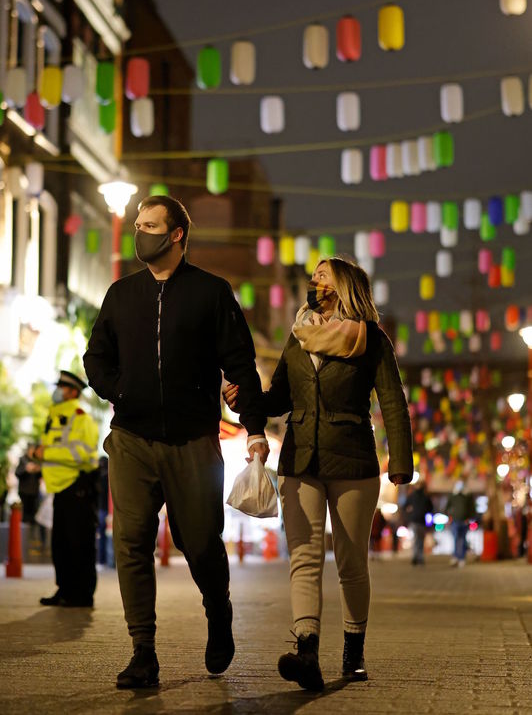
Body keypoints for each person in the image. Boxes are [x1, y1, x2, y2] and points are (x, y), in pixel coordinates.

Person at [83, 194, 268, 690]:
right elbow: (95, 358)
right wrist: (120, 390)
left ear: (176, 234)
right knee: (132, 541)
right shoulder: (122, 295)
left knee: (200, 541)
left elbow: (241, 365)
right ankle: (143, 651)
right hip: (132, 438)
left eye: (149, 225)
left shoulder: (211, 293)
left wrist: (254, 429)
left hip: (193, 440)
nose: (140, 232)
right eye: (138, 223)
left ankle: (218, 609)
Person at [225, 257, 413, 691]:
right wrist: (243, 401)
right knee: (305, 557)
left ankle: (353, 652)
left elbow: (392, 402)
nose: (314, 282)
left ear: (345, 284)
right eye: (313, 276)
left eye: (323, 275)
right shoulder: (298, 335)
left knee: (350, 562)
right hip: (300, 459)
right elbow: (279, 399)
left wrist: (400, 462)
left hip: (352, 459)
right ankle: (306, 649)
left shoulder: (370, 340)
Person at [28, 370, 99, 607]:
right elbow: (54, 451)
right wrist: (37, 455)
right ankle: (65, 589)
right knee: (61, 544)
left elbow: (83, 454)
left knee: (79, 542)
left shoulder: (80, 418)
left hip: (77, 486)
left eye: (61, 387)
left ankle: (82, 594)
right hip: (59, 488)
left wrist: (45, 453)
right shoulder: (55, 416)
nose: (56, 391)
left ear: (72, 392)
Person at [445, 480, 476, 567]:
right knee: (455, 538)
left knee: (462, 539)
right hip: (455, 520)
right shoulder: (453, 496)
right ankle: (455, 557)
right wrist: (449, 517)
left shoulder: (468, 496)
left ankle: (462, 558)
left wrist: (469, 518)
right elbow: (447, 507)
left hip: (464, 521)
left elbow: (472, 509)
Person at [405, 480, 433, 565]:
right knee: (420, 539)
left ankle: (416, 556)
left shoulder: (412, 496)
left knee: (416, 539)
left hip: (415, 520)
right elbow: (430, 508)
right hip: (421, 521)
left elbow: (404, 506)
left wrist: (409, 514)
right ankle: (419, 557)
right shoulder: (425, 496)